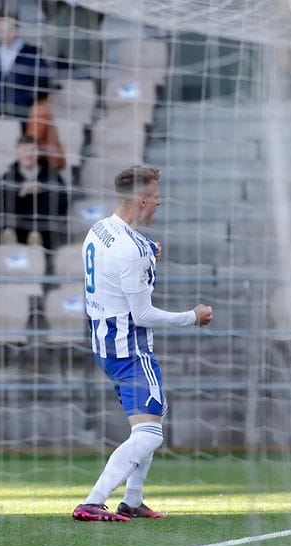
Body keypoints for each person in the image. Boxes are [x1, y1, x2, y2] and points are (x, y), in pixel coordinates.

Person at [73, 165, 213, 522]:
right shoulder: (130, 250)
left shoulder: (100, 229)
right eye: (157, 200)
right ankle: (93, 501)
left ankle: (132, 499)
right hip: (131, 346)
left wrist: (147, 250)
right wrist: (191, 317)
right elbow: (143, 315)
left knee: (150, 420)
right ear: (142, 199)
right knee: (150, 435)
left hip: (104, 343)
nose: (158, 206)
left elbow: (118, 259)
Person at [0, 13, 52, 119]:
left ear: (17, 29)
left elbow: (43, 83)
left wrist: (27, 99)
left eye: (8, 29)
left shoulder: (32, 54)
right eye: (1, 30)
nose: (5, 33)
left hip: (22, 109)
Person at [0, 135, 67, 248]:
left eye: (33, 150)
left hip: (43, 229)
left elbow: (64, 202)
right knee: (8, 226)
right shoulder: (6, 178)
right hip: (16, 227)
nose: (29, 154)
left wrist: (43, 190)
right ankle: (10, 241)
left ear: (38, 153)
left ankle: (36, 240)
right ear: (17, 152)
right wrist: (20, 193)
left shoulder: (52, 175)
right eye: (24, 150)